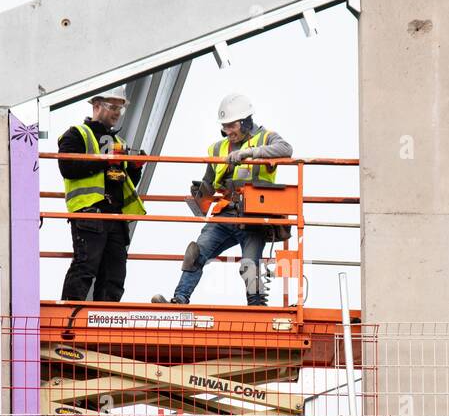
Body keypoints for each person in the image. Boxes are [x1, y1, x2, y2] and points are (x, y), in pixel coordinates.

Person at [152, 93, 291, 306]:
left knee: (249, 265)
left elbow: (286, 149)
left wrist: (249, 153)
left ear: (245, 121)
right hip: (226, 213)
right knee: (195, 253)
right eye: (224, 126)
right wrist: (200, 191)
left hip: (254, 214)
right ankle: (180, 299)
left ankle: (256, 307)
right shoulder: (217, 148)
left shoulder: (266, 138)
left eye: (231, 125)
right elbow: (210, 181)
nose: (227, 131)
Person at [57, 85, 146, 301]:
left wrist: (135, 168)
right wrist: (103, 161)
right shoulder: (77, 134)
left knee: (114, 274)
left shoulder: (119, 143)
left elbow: (124, 182)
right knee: (85, 266)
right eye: (112, 106)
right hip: (90, 212)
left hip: (115, 216)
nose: (117, 112)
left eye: (120, 108)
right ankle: (68, 319)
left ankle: (104, 323)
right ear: (96, 105)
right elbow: (67, 167)